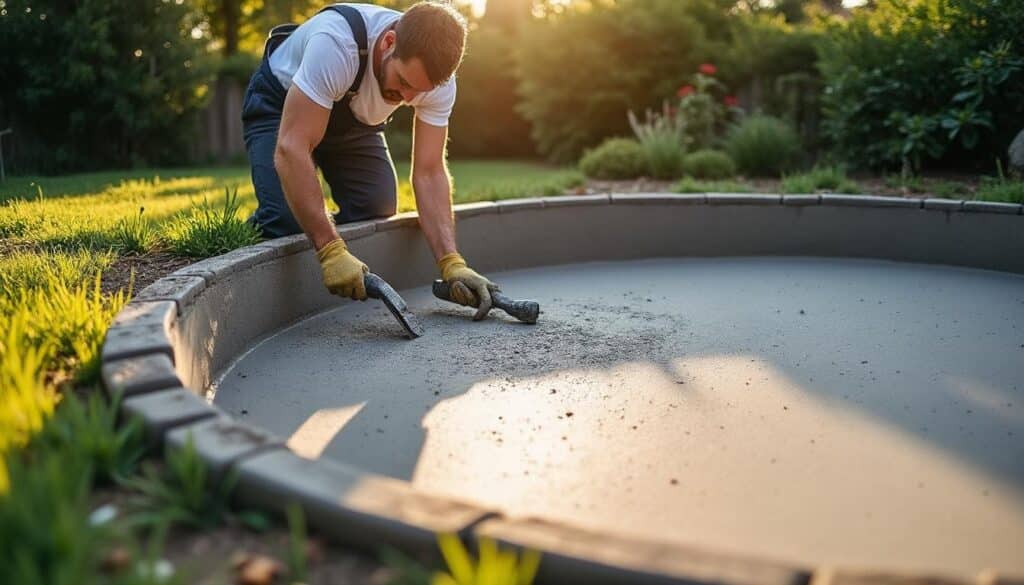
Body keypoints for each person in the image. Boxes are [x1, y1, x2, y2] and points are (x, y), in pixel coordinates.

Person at [242, 1, 498, 319]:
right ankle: (279, 233)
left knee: (376, 207)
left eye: (418, 92)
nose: (406, 99)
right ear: (389, 41)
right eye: (403, 82)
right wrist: (329, 251)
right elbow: (292, 148)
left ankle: (329, 245)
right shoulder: (336, 43)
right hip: (280, 105)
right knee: (285, 222)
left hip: (353, 121)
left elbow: (430, 172)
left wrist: (452, 262)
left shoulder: (438, 83)